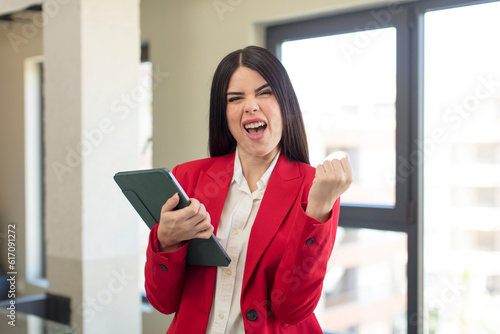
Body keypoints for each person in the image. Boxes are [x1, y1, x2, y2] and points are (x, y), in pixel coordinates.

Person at [145, 45, 352, 334]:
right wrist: (165, 242)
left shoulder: (314, 188)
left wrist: (316, 211)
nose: (251, 105)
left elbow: (291, 309)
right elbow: (162, 302)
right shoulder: (186, 179)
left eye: (264, 92)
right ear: (224, 113)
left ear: (285, 104)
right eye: (235, 98)